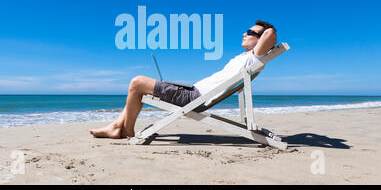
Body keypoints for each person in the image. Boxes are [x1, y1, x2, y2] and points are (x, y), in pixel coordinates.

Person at [89, 20, 277, 139]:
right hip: (192, 92)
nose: (244, 34)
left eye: (250, 32)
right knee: (138, 87)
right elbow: (265, 36)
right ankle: (116, 126)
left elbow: (270, 34)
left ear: (260, 40)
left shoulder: (255, 58)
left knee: (136, 82)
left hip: (194, 98)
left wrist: (265, 31)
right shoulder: (247, 58)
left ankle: (126, 130)